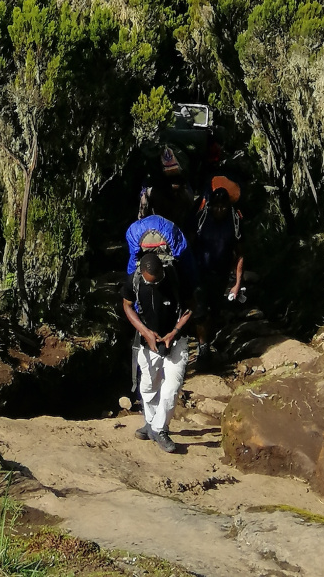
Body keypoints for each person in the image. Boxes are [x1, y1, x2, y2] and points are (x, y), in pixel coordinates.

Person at [122, 248, 191, 453]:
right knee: (148, 384)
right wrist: (145, 332)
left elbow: (190, 308)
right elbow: (127, 305)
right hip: (148, 342)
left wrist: (174, 332)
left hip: (176, 339)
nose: (155, 283)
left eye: (158, 279)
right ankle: (151, 423)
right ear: (142, 274)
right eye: (151, 281)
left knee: (172, 387)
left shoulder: (175, 277)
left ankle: (160, 429)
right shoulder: (133, 281)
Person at [191, 177, 245, 353]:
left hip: (220, 275)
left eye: (223, 207)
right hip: (199, 272)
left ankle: (210, 340)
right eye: (216, 206)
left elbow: (239, 254)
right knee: (200, 310)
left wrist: (237, 284)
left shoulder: (234, 223)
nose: (219, 210)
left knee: (214, 310)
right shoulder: (202, 220)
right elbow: (189, 244)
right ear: (210, 206)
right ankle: (203, 347)